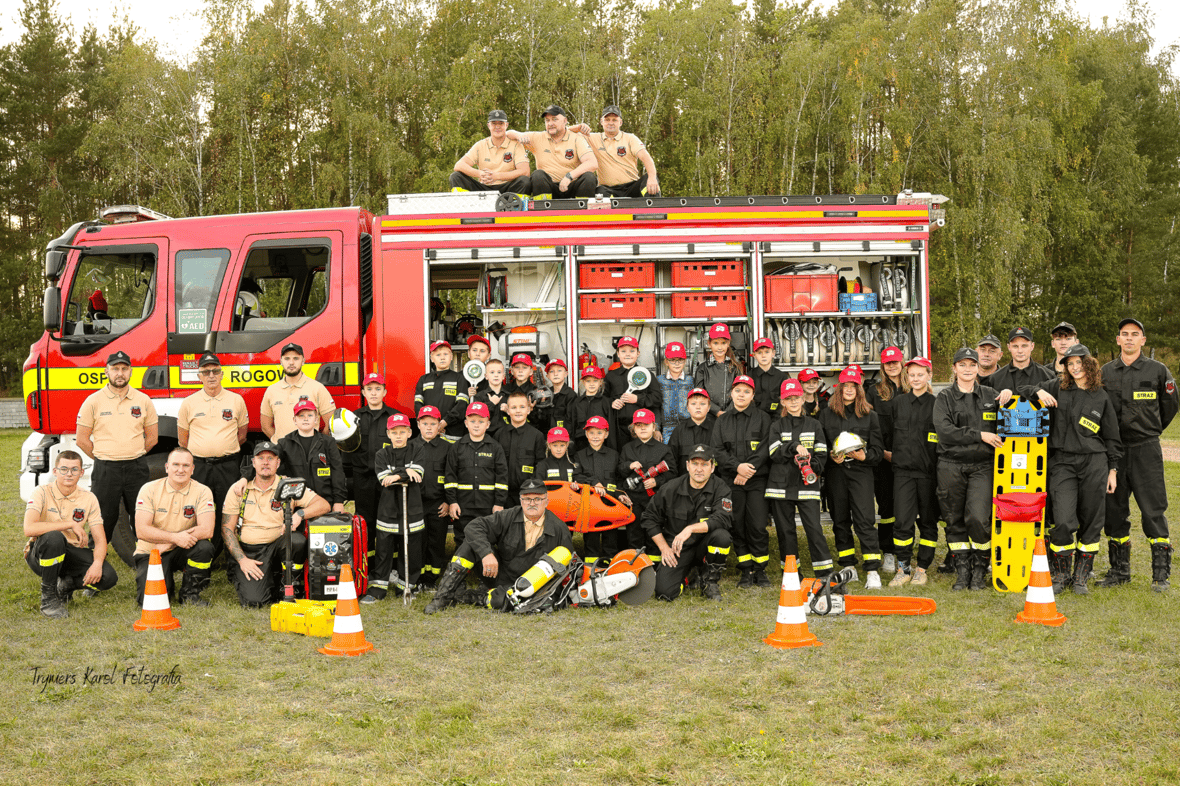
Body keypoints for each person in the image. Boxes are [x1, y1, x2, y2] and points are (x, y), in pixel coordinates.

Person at [1021, 345, 1121, 594]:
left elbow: (1112, 438)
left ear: (1090, 364)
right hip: (1062, 463)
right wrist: (1039, 391)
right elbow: (1022, 390)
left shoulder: (1101, 396)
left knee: (1092, 520)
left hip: (1094, 463)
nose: (1075, 367)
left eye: (1079, 362)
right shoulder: (1057, 386)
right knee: (1063, 520)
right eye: (1070, 363)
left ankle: (1080, 578)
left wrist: (1113, 470)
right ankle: (1061, 575)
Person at [1100, 318, 1178, 591]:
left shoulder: (1158, 370)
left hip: (1146, 448)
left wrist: (1149, 430)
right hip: (1115, 451)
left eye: (1135, 334)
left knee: (1152, 510)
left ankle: (1160, 575)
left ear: (1143, 341)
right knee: (1114, 511)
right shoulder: (1105, 372)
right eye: (1125, 334)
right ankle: (1119, 571)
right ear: (1118, 340)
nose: (1130, 338)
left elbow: (1169, 407)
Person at [424, 478, 575, 614]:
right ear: (520, 501)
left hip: (532, 585)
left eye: (538, 499)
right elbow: (473, 527)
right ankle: (442, 598)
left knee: (502, 602)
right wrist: (486, 553)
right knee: (470, 544)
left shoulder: (559, 529)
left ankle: (472, 597)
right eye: (527, 499)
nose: (532, 503)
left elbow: (568, 566)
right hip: (498, 574)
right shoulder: (508, 516)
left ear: (547, 502)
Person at [221, 441, 331, 607]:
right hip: (251, 552)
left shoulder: (289, 486)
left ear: (278, 463)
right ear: (253, 462)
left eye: (271, 458)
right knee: (255, 602)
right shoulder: (239, 489)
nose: (266, 462)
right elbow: (227, 529)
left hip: (278, 544)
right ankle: (264, 577)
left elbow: (323, 505)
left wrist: (300, 514)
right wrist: (242, 560)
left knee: (296, 540)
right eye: (261, 458)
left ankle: (291, 582)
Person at [934, 348, 1001, 591]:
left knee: (978, 518)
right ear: (954, 368)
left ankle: (980, 572)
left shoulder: (990, 395)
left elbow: (1011, 415)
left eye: (971, 365)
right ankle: (963, 572)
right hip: (950, 465)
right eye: (962, 365)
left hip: (983, 466)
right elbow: (945, 432)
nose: (967, 369)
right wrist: (980, 435)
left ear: (977, 368)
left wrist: (1008, 395)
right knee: (953, 519)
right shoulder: (944, 398)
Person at [75, 351, 159, 545]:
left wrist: (132, 452)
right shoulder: (93, 401)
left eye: (124, 368)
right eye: (115, 369)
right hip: (106, 470)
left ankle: (147, 563)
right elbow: (82, 439)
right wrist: (104, 457)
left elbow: (153, 437)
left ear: (130, 371)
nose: (120, 373)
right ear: (106, 371)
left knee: (142, 518)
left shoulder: (143, 400)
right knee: (102, 520)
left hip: (136, 468)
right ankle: (95, 563)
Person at [23, 451, 118, 618]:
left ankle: (67, 585)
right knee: (54, 537)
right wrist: (70, 524)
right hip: (41, 553)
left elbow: (100, 539)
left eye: (74, 470)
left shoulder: (89, 498)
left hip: (72, 551)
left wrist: (97, 563)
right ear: (55, 471)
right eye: (64, 469)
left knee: (108, 578)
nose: (69, 474)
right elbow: (29, 529)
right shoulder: (41, 492)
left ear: (82, 473)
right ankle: (49, 599)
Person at [640, 444, 734, 601]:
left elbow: (724, 518)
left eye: (704, 464)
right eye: (695, 464)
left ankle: (710, 581)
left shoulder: (721, 488)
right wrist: (664, 548)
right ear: (687, 466)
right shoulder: (670, 488)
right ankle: (689, 575)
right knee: (664, 593)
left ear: (712, 467)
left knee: (722, 536)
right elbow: (649, 517)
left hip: (704, 544)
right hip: (678, 549)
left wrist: (690, 529)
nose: (699, 469)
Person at [177, 351, 248, 558]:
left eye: (215, 371)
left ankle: (230, 556)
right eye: (206, 372)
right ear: (199, 375)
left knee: (229, 510)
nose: (211, 375)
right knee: (199, 511)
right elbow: (183, 440)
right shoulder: (189, 403)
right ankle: (200, 555)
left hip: (228, 465)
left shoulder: (236, 400)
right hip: (200, 466)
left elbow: (241, 435)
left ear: (221, 374)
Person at [819, 365, 884, 588]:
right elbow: (820, 447)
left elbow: (878, 450)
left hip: (861, 473)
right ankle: (848, 566)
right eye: (845, 386)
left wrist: (864, 456)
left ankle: (872, 569)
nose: (849, 389)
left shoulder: (870, 416)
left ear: (859, 389)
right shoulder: (826, 415)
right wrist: (830, 456)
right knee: (840, 520)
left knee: (865, 520)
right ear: (838, 388)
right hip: (836, 473)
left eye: (853, 386)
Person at [880, 357, 940, 587]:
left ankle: (922, 568)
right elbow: (888, 437)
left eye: (920, 374)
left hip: (927, 474)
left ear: (929, 375)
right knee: (902, 522)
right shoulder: (897, 403)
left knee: (927, 521)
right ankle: (903, 568)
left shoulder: (937, 404)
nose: (916, 379)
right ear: (907, 377)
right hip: (902, 473)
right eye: (912, 375)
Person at [132, 448, 216, 607]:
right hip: (152, 551)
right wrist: (175, 538)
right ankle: (167, 582)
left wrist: (172, 542)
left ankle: (190, 594)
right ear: (166, 467)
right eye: (175, 464)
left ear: (192, 469)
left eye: (186, 465)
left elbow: (207, 529)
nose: (180, 469)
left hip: (180, 548)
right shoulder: (149, 489)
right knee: (151, 602)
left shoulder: (203, 491)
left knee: (204, 547)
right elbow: (141, 530)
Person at [710, 375, 772, 587]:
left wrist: (746, 470)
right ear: (731, 394)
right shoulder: (722, 421)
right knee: (737, 525)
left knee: (757, 525)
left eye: (746, 391)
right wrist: (737, 467)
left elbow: (765, 448)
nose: (742, 395)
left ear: (753, 395)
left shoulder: (763, 418)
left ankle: (760, 569)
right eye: (738, 391)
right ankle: (746, 569)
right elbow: (717, 450)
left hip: (756, 481)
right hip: (731, 482)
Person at [766, 379, 831, 576]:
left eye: (797, 398)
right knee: (786, 532)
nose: (793, 402)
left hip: (807, 485)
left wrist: (811, 466)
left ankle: (825, 573)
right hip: (781, 487)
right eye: (789, 398)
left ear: (803, 399)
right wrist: (793, 447)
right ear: (783, 402)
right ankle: (793, 574)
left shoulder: (815, 424)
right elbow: (773, 453)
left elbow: (822, 453)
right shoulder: (776, 426)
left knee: (814, 529)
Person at [365, 413, 426, 601]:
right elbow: (384, 479)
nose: (398, 436)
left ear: (409, 432)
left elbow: (419, 474)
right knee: (383, 551)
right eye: (394, 432)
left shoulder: (418, 450)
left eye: (402, 432)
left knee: (411, 550)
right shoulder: (381, 455)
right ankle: (378, 589)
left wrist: (398, 475)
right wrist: (406, 472)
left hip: (412, 510)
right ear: (388, 434)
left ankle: (405, 586)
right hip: (388, 511)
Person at [350, 372, 399, 575]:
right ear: (363, 392)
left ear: (385, 392)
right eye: (369, 389)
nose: (373, 393)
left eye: (378, 389)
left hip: (388, 480)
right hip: (363, 480)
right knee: (366, 523)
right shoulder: (354, 418)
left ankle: (392, 567)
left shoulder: (395, 417)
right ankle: (367, 567)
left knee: (389, 522)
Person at [865, 346, 908, 573]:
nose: (892, 366)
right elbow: (871, 427)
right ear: (883, 366)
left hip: (909, 458)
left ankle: (905, 551)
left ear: (902, 363)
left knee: (907, 507)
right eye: (888, 363)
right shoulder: (874, 391)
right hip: (884, 458)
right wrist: (882, 451)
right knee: (886, 507)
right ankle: (888, 552)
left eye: (895, 362)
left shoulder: (914, 387)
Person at [445, 402, 509, 550]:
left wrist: (499, 503)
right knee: (462, 538)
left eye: (481, 421)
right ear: (466, 423)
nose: (476, 425)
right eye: (472, 421)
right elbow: (450, 477)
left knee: (487, 539)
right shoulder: (457, 447)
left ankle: (483, 570)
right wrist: (452, 502)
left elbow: (502, 478)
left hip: (487, 505)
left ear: (488, 424)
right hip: (463, 505)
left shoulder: (495, 448)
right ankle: (462, 570)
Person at [618, 409, 677, 558]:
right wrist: (628, 466)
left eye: (646, 424)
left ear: (654, 427)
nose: (643, 428)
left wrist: (656, 481)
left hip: (655, 500)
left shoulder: (664, 449)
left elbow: (672, 474)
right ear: (633, 429)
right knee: (634, 532)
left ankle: (655, 565)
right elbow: (619, 472)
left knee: (655, 531)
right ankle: (635, 564)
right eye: (638, 425)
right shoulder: (627, 448)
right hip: (634, 499)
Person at [507, 105, 599, 199]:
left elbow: (592, 163)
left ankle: (583, 211)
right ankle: (543, 210)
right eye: (547, 120)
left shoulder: (576, 138)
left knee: (589, 177)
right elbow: (508, 134)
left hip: (571, 186)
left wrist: (569, 177)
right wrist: (518, 135)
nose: (550, 123)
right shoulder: (538, 138)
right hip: (548, 188)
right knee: (538, 175)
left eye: (554, 119)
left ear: (565, 121)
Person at [570, 105, 661, 197]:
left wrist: (652, 177)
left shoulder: (630, 138)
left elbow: (646, 158)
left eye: (614, 120)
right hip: (608, 189)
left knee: (650, 178)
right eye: (607, 119)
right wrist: (578, 127)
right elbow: (564, 134)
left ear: (620, 122)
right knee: (599, 192)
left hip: (631, 187)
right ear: (601, 122)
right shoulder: (593, 138)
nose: (610, 123)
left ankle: (654, 210)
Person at [574, 415, 629, 566]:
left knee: (611, 539)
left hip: (610, 505)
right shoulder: (579, 455)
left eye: (599, 432)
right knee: (591, 540)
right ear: (586, 434)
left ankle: (609, 568)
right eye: (591, 432)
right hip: (589, 505)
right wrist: (593, 483)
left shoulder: (614, 455)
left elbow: (618, 479)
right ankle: (591, 569)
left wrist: (621, 495)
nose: (595, 436)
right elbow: (576, 476)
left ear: (606, 434)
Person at [275, 400, 347, 513]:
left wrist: (338, 501)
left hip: (325, 503)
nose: (305, 418)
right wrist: (245, 478)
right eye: (301, 416)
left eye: (310, 415)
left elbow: (337, 472)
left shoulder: (328, 443)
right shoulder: (284, 444)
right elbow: (267, 461)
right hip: (296, 503)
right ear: (294, 420)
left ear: (316, 419)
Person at [413, 406, 456, 587]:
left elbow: (452, 476)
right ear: (418, 425)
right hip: (416, 504)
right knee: (418, 542)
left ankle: (432, 579)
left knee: (436, 542)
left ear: (440, 425)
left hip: (439, 504)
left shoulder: (448, 448)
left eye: (433, 423)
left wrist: (448, 501)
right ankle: (418, 577)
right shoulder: (410, 447)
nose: (429, 428)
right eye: (425, 424)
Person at [260, 342, 336, 440]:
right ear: (281, 361)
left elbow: (331, 424)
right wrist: (281, 444)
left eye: (296, 358)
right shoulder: (272, 390)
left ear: (303, 361)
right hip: (282, 453)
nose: (291, 362)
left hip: (309, 452)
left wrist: (317, 443)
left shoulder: (317, 388)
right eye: (287, 359)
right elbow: (265, 426)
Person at [449, 109, 532, 194]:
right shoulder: (480, 145)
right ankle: (464, 205)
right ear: (488, 125)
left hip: (507, 188)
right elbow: (459, 165)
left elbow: (525, 171)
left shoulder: (516, 145)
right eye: (494, 123)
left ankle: (515, 206)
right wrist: (479, 174)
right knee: (456, 177)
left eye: (501, 123)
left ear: (506, 125)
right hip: (484, 189)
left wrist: (497, 176)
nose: (497, 127)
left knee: (524, 181)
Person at [496, 390, 548, 499]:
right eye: (514, 407)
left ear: (528, 410)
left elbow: (540, 465)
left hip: (529, 493)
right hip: (503, 494)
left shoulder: (537, 436)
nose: (518, 411)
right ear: (508, 410)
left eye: (522, 407)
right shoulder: (499, 435)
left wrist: (533, 488)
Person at [606, 336, 663, 433]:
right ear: (618, 354)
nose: (627, 354)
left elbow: (657, 399)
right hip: (617, 429)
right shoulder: (610, 376)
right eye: (623, 351)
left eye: (632, 351)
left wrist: (637, 399)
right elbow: (603, 399)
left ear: (638, 353)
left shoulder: (647, 375)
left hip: (642, 428)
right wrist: (611, 403)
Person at [414, 341, 470, 437]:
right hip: (429, 432)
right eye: (438, 355)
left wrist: (445, 422)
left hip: (453, 433)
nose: (442, 357)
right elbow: (418, 405)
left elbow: (462, 405)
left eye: (445, 354)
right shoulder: (424, 379)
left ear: (451, 357)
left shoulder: (459, 378)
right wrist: (430, 424)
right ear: (432, 358)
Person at [981, 327, 1054, 396]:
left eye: (1024, 346)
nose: (1020, 351)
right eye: (1015, 346)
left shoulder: (1048, 376)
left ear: (1032, 346)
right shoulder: (995, 378)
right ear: (1009, 347)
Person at [696, 323, 744, 417]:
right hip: (709, 416)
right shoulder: (702, 369)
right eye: (715, 343)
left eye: (723, 343)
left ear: (728, 343)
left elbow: (740, 391)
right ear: (709, 343)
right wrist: (716, 411)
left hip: (732, 415)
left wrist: (729, 411)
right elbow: (700, 394)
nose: (720, 347)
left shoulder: (736, 367)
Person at [667, 387, 716, 471]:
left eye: (702, 404)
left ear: (708, 408)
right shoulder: (679, 431)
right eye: (693, 404)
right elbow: (671, 461)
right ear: (687, 407)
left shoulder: (716, 430)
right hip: (684, 480)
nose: (698, 407)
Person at [573, 365, 616, 452]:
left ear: (600, 382)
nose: (591, 384)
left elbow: (611, 427)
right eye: (588, 381)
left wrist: (612, 451)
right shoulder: (577, 402)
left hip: (601, 446)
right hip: (581, 446)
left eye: (595, 381)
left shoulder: (606, 402)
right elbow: (573, 425)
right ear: (583, 382)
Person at [659, 342, 695, 443]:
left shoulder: (690, 380)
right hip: (667, 427)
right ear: (666, 361)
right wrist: (657, 428)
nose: (677, 363)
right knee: (669, 455)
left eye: (680, 360)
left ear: (685, 361)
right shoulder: (660, 380)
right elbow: (656, 406)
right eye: (672, 360)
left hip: (687, 424)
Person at [749, 337, 786, 419]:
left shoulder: (782, 377)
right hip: (753, 421)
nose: (763, 356)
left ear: (773, 353)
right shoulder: (749, 377)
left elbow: (785, 403)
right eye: (759, 353)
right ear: (754, 355)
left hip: (776, 421)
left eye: (767, 352)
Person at [473, 358, 510, 438]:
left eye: (499, 372)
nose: (496, 375)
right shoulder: (479, 396)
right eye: (492, 372)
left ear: (503, 376)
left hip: (505, 436)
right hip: (485, 436)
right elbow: (476, 417)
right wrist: (491, 404)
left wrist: (509, 411)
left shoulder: (509, 396)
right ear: (486, 376)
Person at [543, 359, 577, 434]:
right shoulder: (545, 394)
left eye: (559, 371)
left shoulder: (571, 395)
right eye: (552, 371)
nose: (555, 374)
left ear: (566, 374)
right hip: (547, 437)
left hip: (563, 437)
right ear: (547, 376)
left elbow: (571, 422)